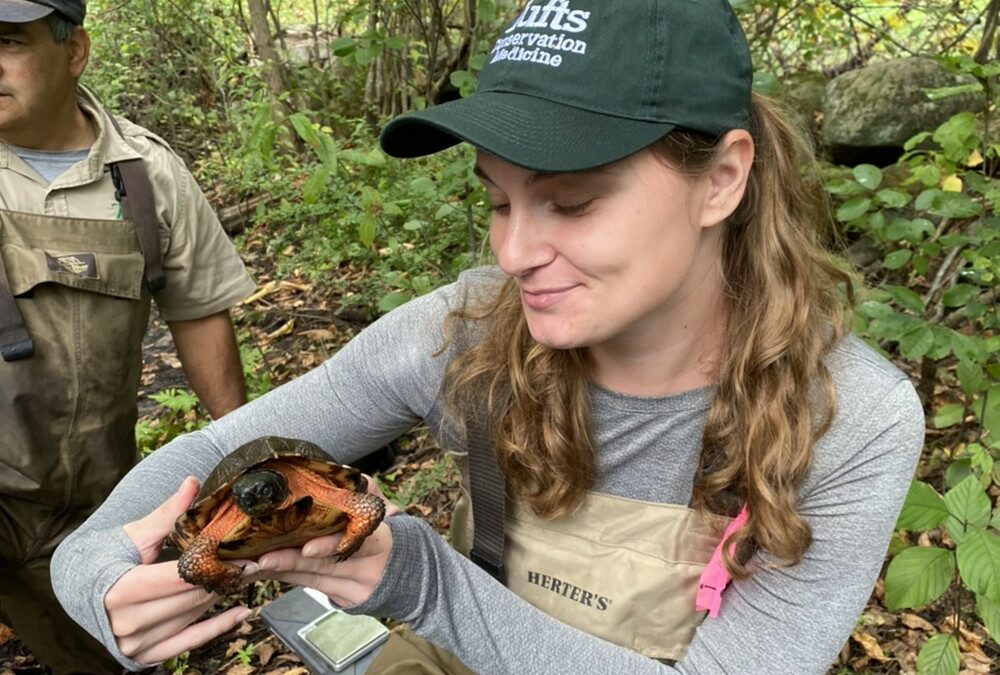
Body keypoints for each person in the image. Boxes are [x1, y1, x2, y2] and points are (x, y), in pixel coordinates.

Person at [52, 0, 926, 672]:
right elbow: (213, 450)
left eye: (572, 202)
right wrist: (92, 573)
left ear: (722, 179)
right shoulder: (468, 332)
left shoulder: (845, 417)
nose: (512, 253)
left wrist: (424, 581)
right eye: (499, 199)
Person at [0, 1, 256, 673]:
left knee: (106, 660)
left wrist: (249, 466)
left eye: (8, 42)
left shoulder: (146, 174)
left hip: (89, 509)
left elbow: (199, 317)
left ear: (74, 50)